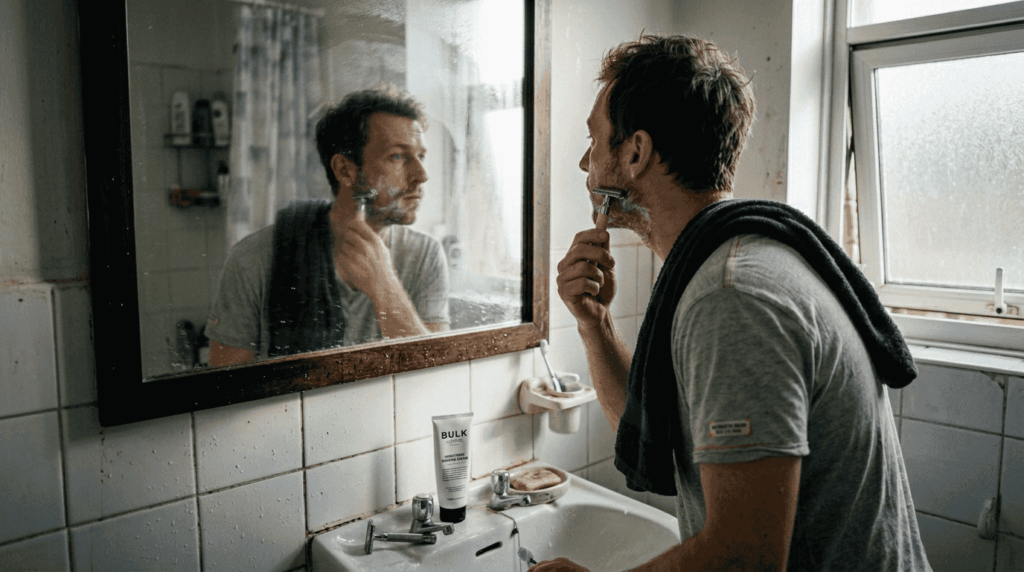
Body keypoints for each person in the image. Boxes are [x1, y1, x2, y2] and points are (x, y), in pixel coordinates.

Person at [546, 35, 931, 571]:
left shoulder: (730, 299)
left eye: (594, 140)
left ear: (635, 152)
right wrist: (596, 326)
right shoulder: (750, 255)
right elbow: (651, 428)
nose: (584, 162)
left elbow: (744, 558)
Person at [206, 88, 450, 366]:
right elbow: (226, 387)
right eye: (397, 156)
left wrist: (385, 289)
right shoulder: (254, 260)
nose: (421, 175)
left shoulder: (425, 256)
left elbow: (439, 376)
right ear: (345, 170)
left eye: (420, 156)